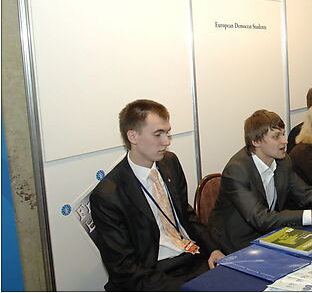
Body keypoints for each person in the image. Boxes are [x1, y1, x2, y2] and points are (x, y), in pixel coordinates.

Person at [90, 99, 225, 291]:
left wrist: (214, 249)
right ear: (133, 136)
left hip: (193, 257)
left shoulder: (169, 163)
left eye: (167, 133)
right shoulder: (108, 195)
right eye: (158, 134)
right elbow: (123, 269)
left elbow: (186, 215)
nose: (166, 142)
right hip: (154, 272)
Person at [208, 109, 312, 253]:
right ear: (255, 141)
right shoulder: (237, 170)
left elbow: (304, 193)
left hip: (272, 233)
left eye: (283, 134)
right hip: (238, 242)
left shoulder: (283, 160)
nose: (285, 140)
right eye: (276, 137)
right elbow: (261, 218)